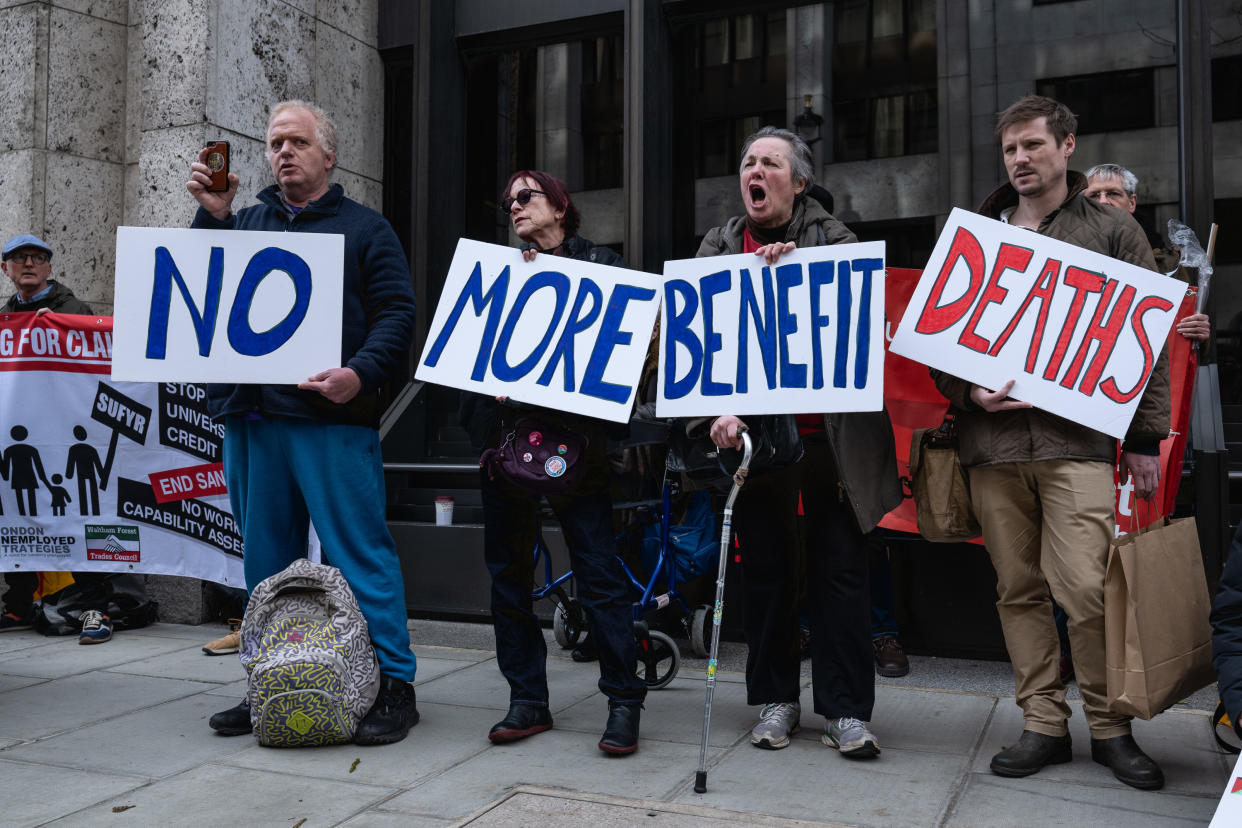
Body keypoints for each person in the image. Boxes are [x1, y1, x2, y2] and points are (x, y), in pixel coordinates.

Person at [931, 96, 1170, 790]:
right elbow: (938, 338)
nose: (1020, 159)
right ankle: (1042, 724)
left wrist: (1146, 437)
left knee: (1088, 590)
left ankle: (1109, 727)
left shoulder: (1112, 230)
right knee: (1017, 592)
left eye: (1033, 145)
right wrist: (968, 392)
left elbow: (1145, 346)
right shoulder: (978, 232)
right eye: (1010, 149)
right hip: (993, 448)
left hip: (1078, 444)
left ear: (1067, 146)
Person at [186, 100, 419, 745]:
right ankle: (269, 679)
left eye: (296, 141)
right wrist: (211, 219)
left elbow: (397, 315)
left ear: (329, 154)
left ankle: (395, 684)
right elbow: (202, 295)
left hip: (329, 421)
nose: (282, 152)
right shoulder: (240, 222)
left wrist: (360, 374)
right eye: (273, 143)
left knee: (358, 552)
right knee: (266, 565)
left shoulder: (367, 230)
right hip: (252, 418)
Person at [696, 126, 902, 758]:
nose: (755, 172)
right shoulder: (719, 245)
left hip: (829, 449)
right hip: (759, 451)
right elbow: (703, 341)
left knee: (841, 576)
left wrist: (798, 278)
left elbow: (856, 329)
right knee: (768, 576)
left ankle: (845, 711)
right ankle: (775, 700)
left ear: (800, 182)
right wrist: (716, 412)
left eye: (770, 163)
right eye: (748, 162)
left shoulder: (835, 242)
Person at [458, 169, 646, 756]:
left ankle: (622, 700)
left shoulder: (605, 268)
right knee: (508, 578)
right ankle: (527, 701)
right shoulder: (497, 275)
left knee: (599, 574)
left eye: (526, 196)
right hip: (507, 446)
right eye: (508, 198)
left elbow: (633, 351)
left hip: (578, 452)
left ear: (561, 207)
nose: (514, 205)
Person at [0, 234, 120, 645]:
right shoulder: (4, 317)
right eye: (19, 259)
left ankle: (96, 608)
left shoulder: (74, 310)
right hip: (25, 435)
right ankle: (17, 602)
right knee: (14, 517)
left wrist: (68, 331)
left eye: (37, 258)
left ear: (50, 268)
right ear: (6, 270)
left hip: (66, 436)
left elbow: (98, 371)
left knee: (83, 519)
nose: (28, 264)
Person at [1084, 163, 1209, 342]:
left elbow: (1182, 336)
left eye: (1112, 193)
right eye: (1094, 195)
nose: (1103, 201)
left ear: (1132, 202)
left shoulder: (1167, 264)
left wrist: (1197, 332)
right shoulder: (1062, 252)